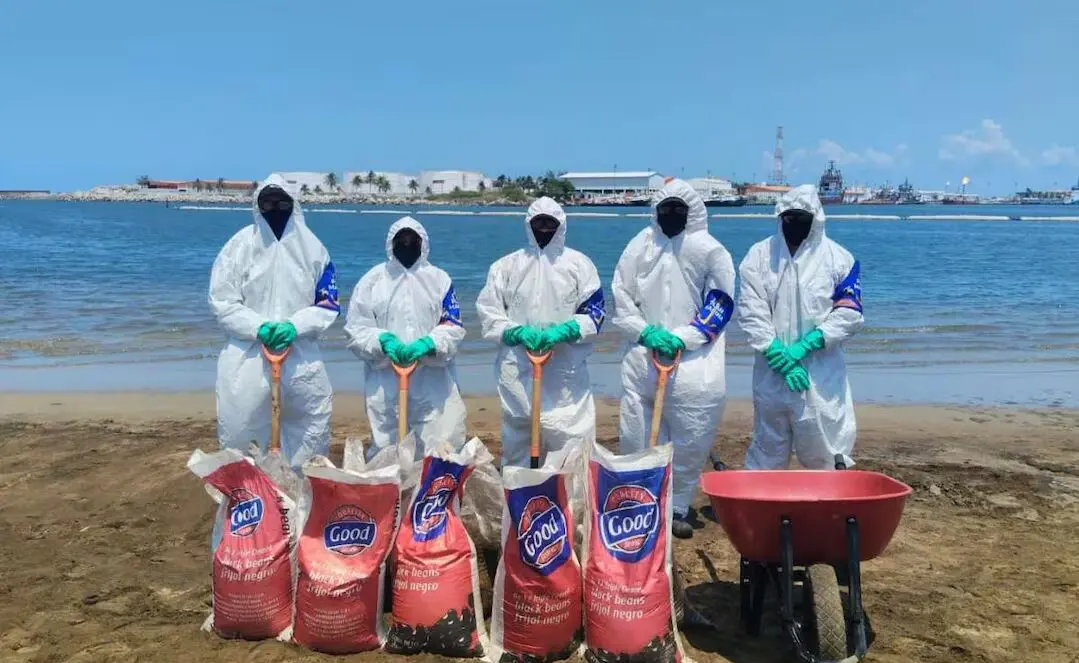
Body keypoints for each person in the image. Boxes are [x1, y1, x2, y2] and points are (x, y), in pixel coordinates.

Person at [612, 177, 736, 539]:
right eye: (665, 208)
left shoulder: (711, 250)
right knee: (635, 431)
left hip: (694, 363)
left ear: (692, 211)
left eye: (679, 209)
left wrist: (684, 337)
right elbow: (622, 295)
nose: (671, 215)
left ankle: (677, 505)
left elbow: (721, 302)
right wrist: (644, 331)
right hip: (643, 356)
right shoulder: (640, 246)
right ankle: (638, 500)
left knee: (690, 437)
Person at [209, 174, 339, 469]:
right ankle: (249, 492)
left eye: (282, 202)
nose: (275, 208)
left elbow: (328, 303)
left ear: (293, 204)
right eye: (268, 202)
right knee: (241, 429)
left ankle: (301, 490)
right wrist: (258, 327)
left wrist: (296, 326)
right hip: (249, 356)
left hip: (301, 356)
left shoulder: (314, 249)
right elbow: (222, 301)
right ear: (258, 205)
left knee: (309, 429)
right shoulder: (239, 246)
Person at [738, 184, 863, 471]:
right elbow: (752, 311)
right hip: (771, 373)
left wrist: (809, 343)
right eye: (789, 217)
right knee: (767, 450)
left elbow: (849, 312)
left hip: (820, 376)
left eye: (802, 218)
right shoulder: (759, 256)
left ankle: (827, 498)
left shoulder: (839, 259)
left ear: (815, 219)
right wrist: (776, 353)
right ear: (780, 218)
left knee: (826, 451)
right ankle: (763, 498)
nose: (794, 224)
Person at [476, 197, 606, 468]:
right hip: (518, 366)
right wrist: (514, 332)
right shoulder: (506, 266)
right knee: (518, 435)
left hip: (565, 367)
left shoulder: (580, 265)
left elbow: (595, 313)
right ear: (529, 225)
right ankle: (520, 487)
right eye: (539, 223)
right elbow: (489, 312)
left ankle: (568, 489)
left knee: (570, 435)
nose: (545, 229)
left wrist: (569, 329)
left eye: (550, 223)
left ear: (561, 225)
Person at [344, 216, 467, 458]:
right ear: (391, 243)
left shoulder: (439, 280)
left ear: (423, 243)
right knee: (387, 446)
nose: (407, 243)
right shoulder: (372, 281)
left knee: (441, 442)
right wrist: (382, 341)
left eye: (413, 239)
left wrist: (430, 342)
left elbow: (453, 325)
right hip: (386, 378)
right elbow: (356, 328)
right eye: (402, 239)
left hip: (433, 379)